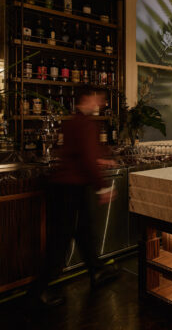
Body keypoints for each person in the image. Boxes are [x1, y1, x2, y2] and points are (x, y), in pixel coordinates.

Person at [32, 87, 119, 307]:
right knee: (60, 239)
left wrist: (100, 161)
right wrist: (103, 188)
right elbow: (87, 158)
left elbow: (78, 154)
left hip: (67, 185)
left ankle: (97, 270)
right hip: (70, 187)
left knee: (83, 231)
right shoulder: (86, 124)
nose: (100, 104)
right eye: (98, 99)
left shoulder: (72, 122)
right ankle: (39, 290)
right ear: (86, 98)